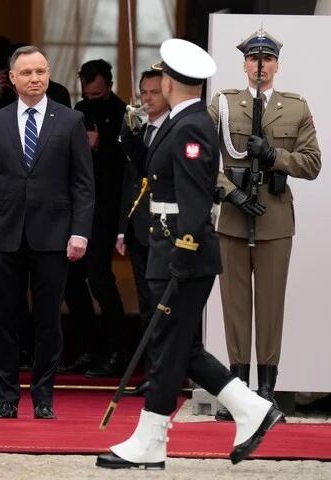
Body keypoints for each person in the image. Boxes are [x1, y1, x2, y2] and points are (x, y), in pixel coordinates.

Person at [97, 38, 284, 471]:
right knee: (180, 346)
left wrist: (183, 252)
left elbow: (196, 199)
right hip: (170, 249)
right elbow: (156, 172)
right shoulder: (178, 122)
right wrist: (130, 137)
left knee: (168, 346)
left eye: (159, 78)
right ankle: (252, 410)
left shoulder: (192, 126)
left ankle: (152, 440)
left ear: (167, 81)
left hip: (183, 252)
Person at [0, 45, 94, 420]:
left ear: (49, 74)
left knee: (47, 320)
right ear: (12, 79)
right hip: (5, 234)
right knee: (4, 319)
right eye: (26, 73)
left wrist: (80, 232)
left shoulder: (70, 120)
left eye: (41, 72)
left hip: (54, 235)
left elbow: (83, 185)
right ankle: (6, 398)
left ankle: (43, 397)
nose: (35, 79)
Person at [208, 30, 321, 420]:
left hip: (274, 216)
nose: (260, 66)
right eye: (254, 59)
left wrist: (274, 155)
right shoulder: (222, 104)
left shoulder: (295, 108)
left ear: (276, 64)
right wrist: (228, 192)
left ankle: (267, 389)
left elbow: (312, 163)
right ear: (244, 64)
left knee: (270, 307)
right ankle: (237, 391)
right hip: (235, 216)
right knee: (235, 306)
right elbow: (203, 156)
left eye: (267, 59)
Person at [68, 59, 129, 378]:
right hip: (78, 206)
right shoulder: (78, 109)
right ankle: (88, 349)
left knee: (99, 276)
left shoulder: (122, 113)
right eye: (87, 93)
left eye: (97, 93)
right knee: (72, 278)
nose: (91, 98)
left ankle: (117, 350)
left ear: (109, 84)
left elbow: (125, 166)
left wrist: (99, 145)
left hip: (105, 207)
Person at [116, 69, 170, 396]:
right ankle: (152, 374)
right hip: (139, 229)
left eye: (154, 92)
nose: (148, 98)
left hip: (165, 228)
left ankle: (168, 374)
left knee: (165, 306)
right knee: (146, 306)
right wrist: (123, 228)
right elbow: (130, 183)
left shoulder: (176, 127)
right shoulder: (138, 128)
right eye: (143, 92)